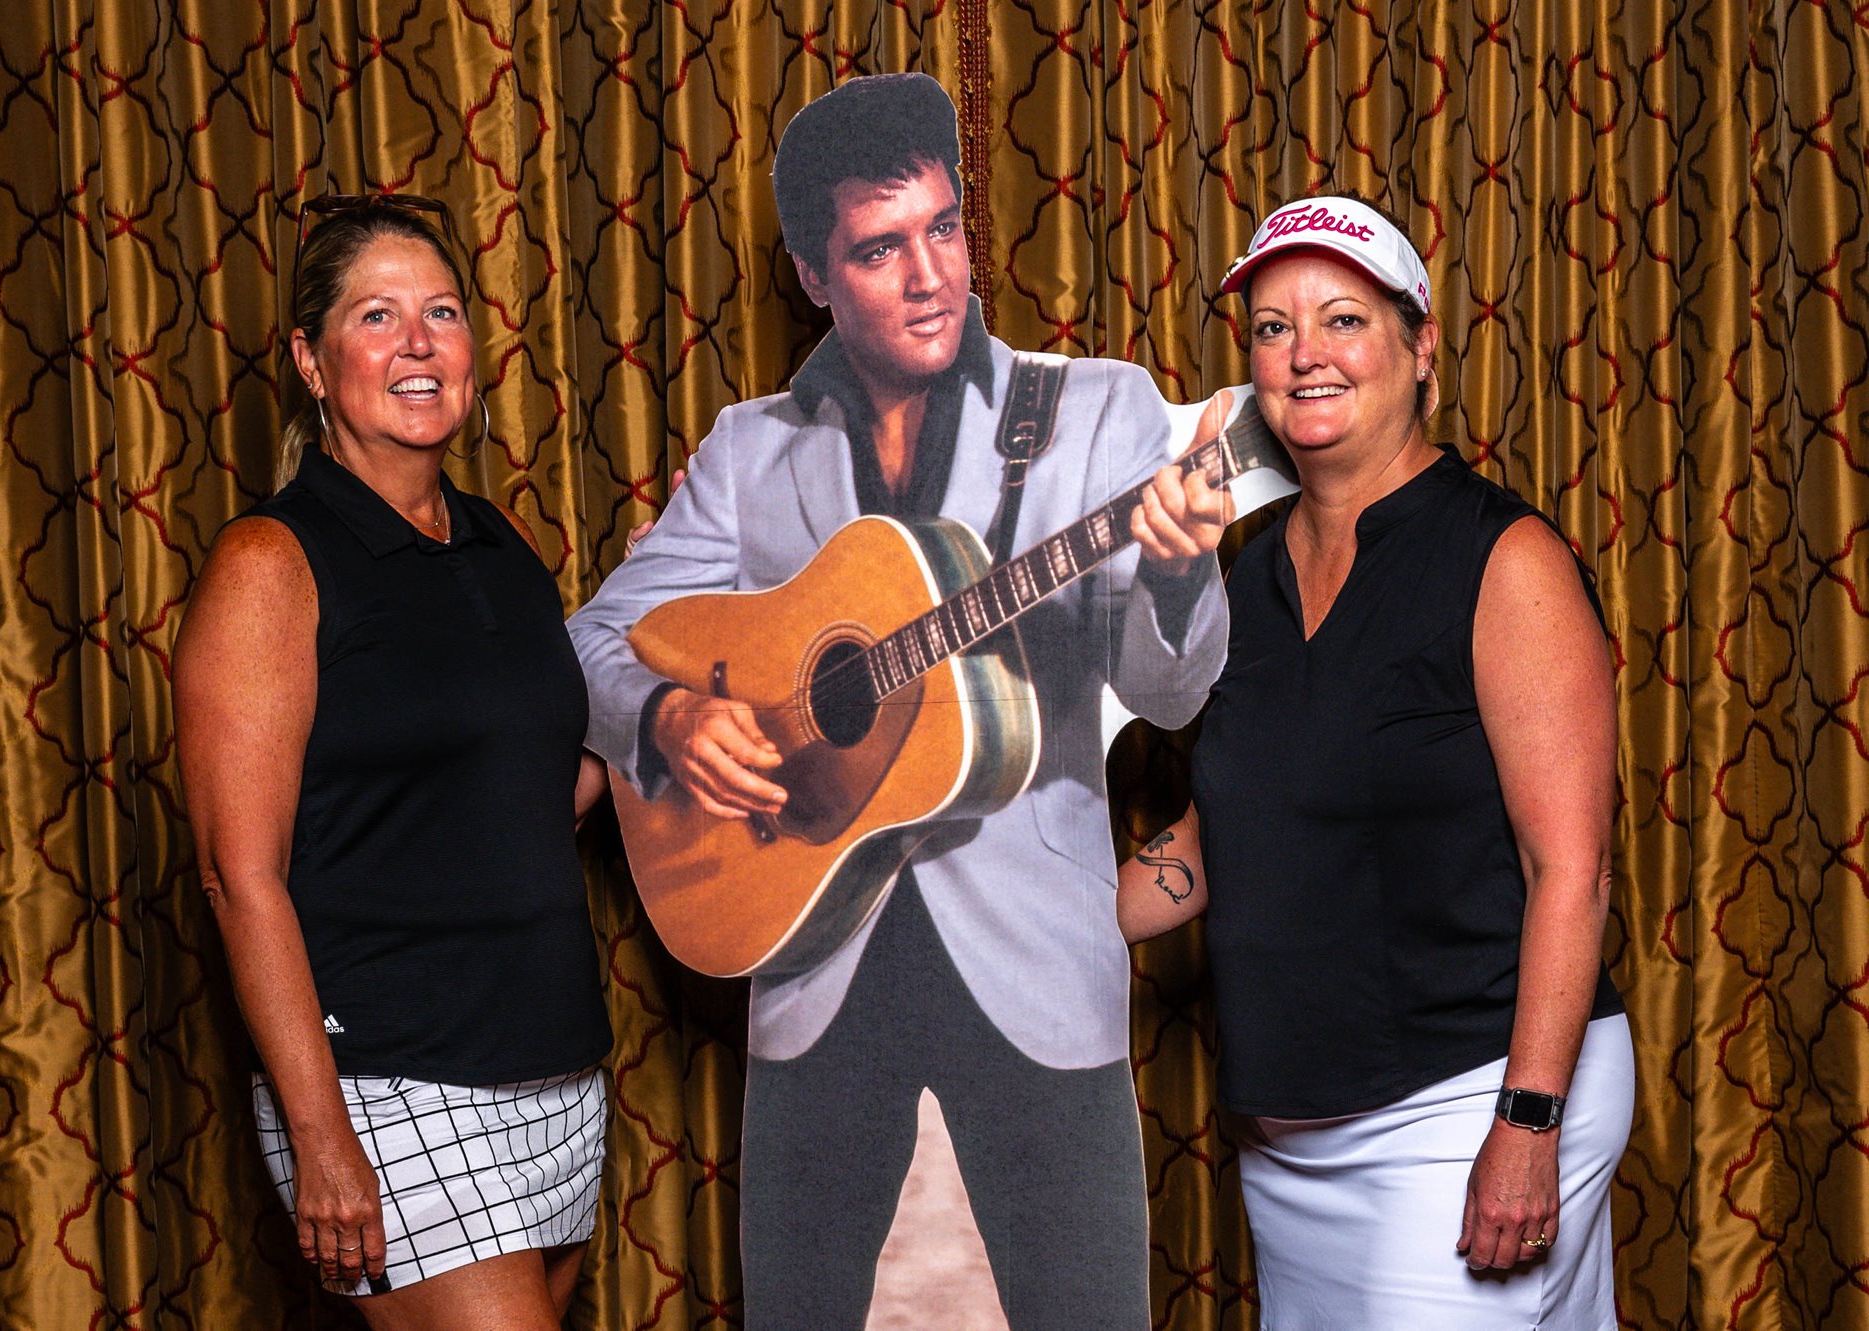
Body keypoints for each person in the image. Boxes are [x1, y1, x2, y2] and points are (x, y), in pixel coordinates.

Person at [570, 73, 1233, 1328]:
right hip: (809, 959)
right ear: (813, 276)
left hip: (1034, 969)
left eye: (944, 228)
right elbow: (593, 637)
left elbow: (1172, 686)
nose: (930, 276)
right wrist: (665, 716)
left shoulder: (1095, 411)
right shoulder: (749, 449)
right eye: (879, 249)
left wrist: (1176, 566)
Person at [1118, 193, 1634, 1327]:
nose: (1303, 353)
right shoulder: (1247, 581)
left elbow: (1573, 868)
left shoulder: (1504, 558)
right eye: (1272, 327)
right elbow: (1231, 829)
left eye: (1342, 319)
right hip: (1294, 1139)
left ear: (1421, 346)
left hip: (1467, 1100)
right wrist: (1025, 917)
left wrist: (1526, 1123)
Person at [174, 196, 612, 1331]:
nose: (418, 342)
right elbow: (238, 875)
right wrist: (320, 1134)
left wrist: (666, 706)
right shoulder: (271, 561)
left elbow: (531, 805)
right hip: (388, 1080)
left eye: (443, 312)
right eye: (377, 316)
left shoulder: (502, 546)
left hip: (559, 1069)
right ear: (311, 362)